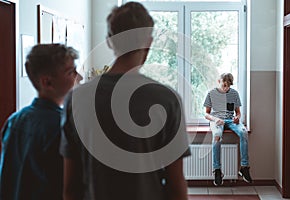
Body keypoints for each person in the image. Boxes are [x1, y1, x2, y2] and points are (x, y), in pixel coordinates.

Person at [60, 2, 190, 200]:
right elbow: (176, 185)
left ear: (110, 41)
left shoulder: (76, 99)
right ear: (149, 41)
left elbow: (70, 187)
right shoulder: (167, 100)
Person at [0, 44, 80, 200]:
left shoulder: (14, 120)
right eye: (71, 72)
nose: (79, 77)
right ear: (47, 83)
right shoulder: (61, 127)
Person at [203, 72, 252, 186]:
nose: (226, 88)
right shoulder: (211, 93)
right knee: (217, 136)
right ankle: (217, 170)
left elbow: (238, 112)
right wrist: (215, 119)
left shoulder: (234, 94)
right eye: (224, 85)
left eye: (228, 86)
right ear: (219, 82)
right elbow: (206, 114)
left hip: (231, 121)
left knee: (243, 132)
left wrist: (237, 118)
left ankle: (244, 167)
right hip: (217, 120)